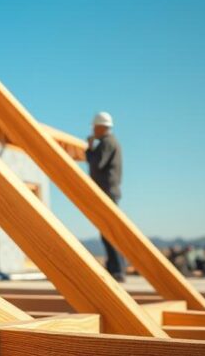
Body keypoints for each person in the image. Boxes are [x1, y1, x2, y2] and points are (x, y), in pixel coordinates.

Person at [86, 111, 125, 281]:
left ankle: (117, 270)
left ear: (102, 127)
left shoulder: (106, 143)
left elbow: (97, 164)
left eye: (95, 127)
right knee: (109, 232)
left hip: (106, 192)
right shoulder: (111, 142)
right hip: (109, 192)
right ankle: (115, 268)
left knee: (109, 232)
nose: (93, 131)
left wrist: (90, 148)